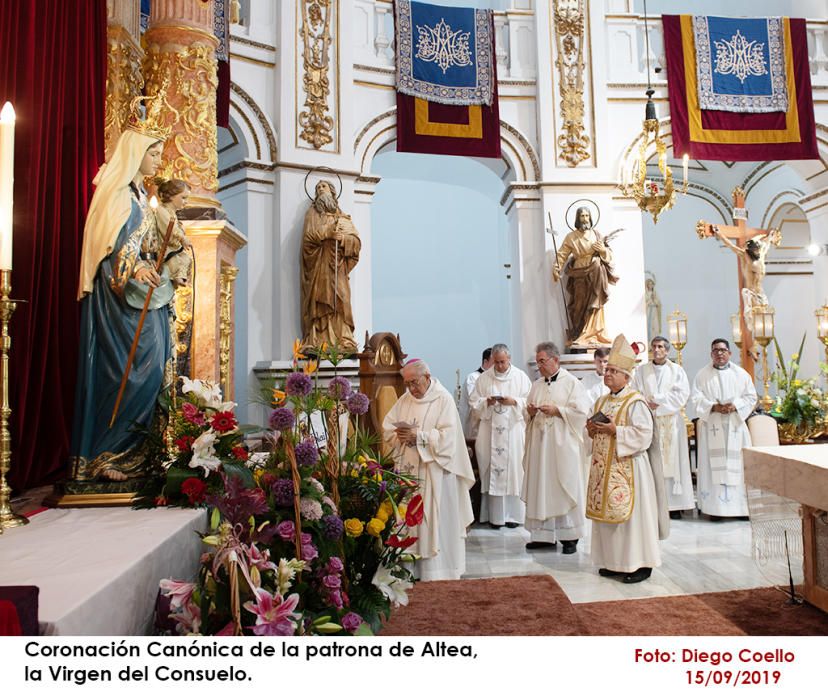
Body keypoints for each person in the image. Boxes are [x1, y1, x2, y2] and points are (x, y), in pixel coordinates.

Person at [70, 113, 173, 482]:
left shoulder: (141, 195)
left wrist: (151, 264)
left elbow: (138, 245)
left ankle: (135, 452)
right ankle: (104, 452)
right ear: (136, 152)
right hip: (118, 303)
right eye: (154, 153)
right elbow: (106, 245)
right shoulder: (115, 194)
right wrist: (131, 268)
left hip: (143, 297)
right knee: (127, 372)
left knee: (154, 366)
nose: (159, 159)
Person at [586, 334, 669, 584]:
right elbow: (590, 432)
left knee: (633, 521)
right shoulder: (601, 400)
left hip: (630, 468)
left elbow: (644, 435)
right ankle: (614, 562)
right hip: (604, 469)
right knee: (609, 521)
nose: (607, 374)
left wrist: (616, 431)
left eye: (613, 370)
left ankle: (640, 564)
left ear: (626, 376)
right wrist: (590, 430)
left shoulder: (636, 402)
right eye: (607, 369)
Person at [382, 359, 475, 580]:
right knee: (408, 520)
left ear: (427, 376)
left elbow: (449, 438)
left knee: (435, 522)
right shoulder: (405, 399)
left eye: (414, 382)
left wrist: (420, 437)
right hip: (409, 470)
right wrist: (400, 435)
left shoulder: (443, 399)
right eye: (407, 384)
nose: (411, 389)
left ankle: (438, 571)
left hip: (436, 474)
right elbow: (387, 427)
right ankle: (411, 570)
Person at [521, 342, 591, 553]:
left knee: (564, 485)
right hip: (540, 446)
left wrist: (558, 410)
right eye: (538, 362)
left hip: (563, 446)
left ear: (555, 360)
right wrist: (531, 412)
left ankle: (569, 536)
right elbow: (526, 413)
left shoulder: (572, 384)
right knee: (541, 486)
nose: (539, 366)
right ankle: (543, 535)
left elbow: (581, 413)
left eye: (542, 361)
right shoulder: (536, 385)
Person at [692, 339, 757, 518]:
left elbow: (751, 397)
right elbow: (696, 399)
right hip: (713, 424)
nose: (719, 353)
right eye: (715, 350)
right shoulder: (702, 375)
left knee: (739, 464)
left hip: (735, 424)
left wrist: (735, 406)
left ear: (729, 353)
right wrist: (713, 407)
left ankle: (741, 508)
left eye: (723, 350)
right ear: (711, 354)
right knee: (714, 466)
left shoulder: (742, 374)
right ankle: (715, 510)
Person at [469, 343, 531, 529]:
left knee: (513, 471)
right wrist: (486, 402)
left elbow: (529, 401)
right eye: (496, 362)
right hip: (490, 430)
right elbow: (474, 402)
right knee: (492, 471)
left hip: (512, 431)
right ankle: (495, 517)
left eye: (503, 362)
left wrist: (514, 402)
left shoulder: (520, 377)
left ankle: (513, 516)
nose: (500, 366)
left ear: (509, 359)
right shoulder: (484, 379)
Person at [633, 336, 695, 518]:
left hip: (671, 424)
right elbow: (635, 392)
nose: (657, 349)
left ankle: (674, 506)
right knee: (652, 462)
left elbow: (682, 394)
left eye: (660, 347)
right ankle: (653, 505)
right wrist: (647, 403)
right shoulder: (641, 371)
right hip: (649, 422)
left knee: (674, 462)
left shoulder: (677, 370)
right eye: (654, 346)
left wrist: (657, 402)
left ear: (667, 351)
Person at [300, 180, 361, 354]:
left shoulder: (343, 217)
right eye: (318, 188)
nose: (320, 189)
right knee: (320, 302)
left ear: (333, 192)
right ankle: (318, 340)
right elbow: (308, 238)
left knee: (342, 299)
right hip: (320, 266)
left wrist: (343, 239)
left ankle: (343, 339)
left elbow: (356, 242)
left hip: (338, 268)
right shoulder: (312, 214)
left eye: (323, 186)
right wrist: (327, 235)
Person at [712, 225, 781, 360]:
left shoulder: (761, 254)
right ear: (750, 249)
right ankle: (753, 346)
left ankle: (756, 345)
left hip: (761, 292)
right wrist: (720, 235)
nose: (757, 249)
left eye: (758, 247)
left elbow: (767, 242)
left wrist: (770, 235)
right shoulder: (745, 256)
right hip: (751, 292)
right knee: (755, 320)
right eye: (755, 248)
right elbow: (731, 246)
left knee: (765, 321)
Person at [552, 206, 617, 346]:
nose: (585, 219)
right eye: (582, 216)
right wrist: (557, 267)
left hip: (596, 273)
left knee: (596, 303)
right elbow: (562, 254)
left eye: (587, 216)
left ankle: (595, 333)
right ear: (577, 218)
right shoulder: (571, 237)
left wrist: (603, 250)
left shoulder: (597, 235)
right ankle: (580, 332)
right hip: (579, 274)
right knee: (579, 304)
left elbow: (609, 255)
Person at [459, 347, 492, 439]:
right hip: (473, 426)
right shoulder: (473, 378)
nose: (497, 367)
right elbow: (474, 401)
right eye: (494, 363)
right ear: (485, 362)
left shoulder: (494, 379)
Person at [645, 275, 662, 342]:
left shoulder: (655, 293)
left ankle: (654, 340)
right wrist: (649, 300)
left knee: (655, 326)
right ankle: (649, 343)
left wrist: (654, 300)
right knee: (648, 327)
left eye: (651, 284)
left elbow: (658, 303)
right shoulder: (646, 294)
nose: (650, 285)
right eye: (649, 284)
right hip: (648, 311)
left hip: (654, 311)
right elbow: (645, 304)